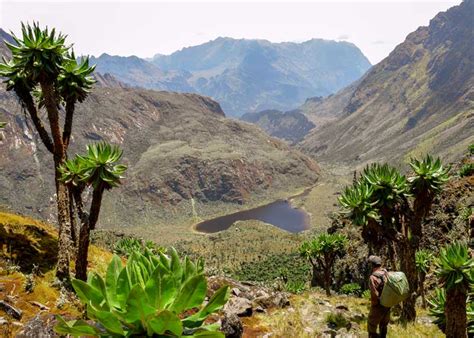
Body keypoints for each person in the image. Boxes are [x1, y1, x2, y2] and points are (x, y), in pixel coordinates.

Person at [368, 255, 390, 338]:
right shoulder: (386, 273)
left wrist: (374, 305)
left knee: (371, 325)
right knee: (384, 326)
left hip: (378, 306)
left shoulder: (372, 277)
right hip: (388, 305)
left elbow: (374, 294)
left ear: (372, 265)